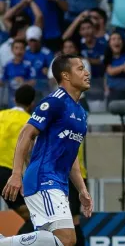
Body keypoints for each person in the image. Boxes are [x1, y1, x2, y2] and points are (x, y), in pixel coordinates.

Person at [0, 54, 93, 246]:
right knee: (67, 239)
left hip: (59, 182)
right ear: (66, 76)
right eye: (80, 69)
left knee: (53, 243)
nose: (86, 73)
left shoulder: (81, 113)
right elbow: (26, 134)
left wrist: (82, 190)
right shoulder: (55, 101)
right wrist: (17, 174)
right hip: (44, 178)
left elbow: (71, 154)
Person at [0, 85, 36, 235]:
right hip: (7, 174)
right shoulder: (31, 122)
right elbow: (30, 153)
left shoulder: (1, 115)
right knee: (35, 218)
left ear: (14, 99)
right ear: (32, 104)